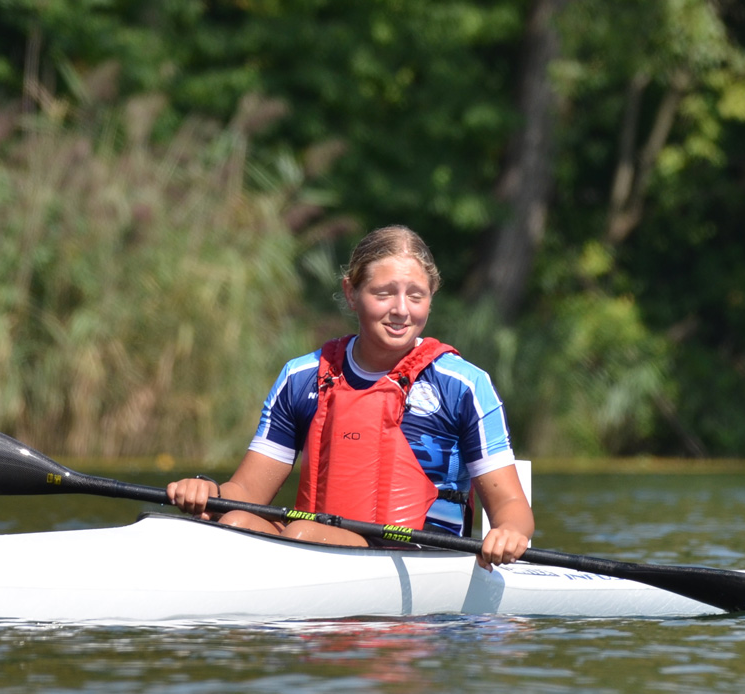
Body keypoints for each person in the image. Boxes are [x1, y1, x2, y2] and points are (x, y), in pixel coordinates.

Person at [166, 225, 533, 570]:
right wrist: (207, 492)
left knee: (299, 533)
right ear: (350, 293)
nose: (401, 310)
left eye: (416, 296)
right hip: (314, 541)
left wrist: (510, 534)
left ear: (430, 299)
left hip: (424, 560)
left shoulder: (463, 385)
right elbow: (245, 492)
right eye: (384, 293)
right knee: (235, 520)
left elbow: (512, 507)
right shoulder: (301, 377)